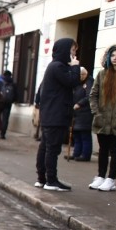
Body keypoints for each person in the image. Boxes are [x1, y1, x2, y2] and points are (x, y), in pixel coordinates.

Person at [35, 37, 81, 191]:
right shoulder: (58, 66)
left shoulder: (54, 66)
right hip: (56, 115)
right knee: (52, 149)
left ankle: (42, 179)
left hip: (51, 114)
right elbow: (72, 81)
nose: (74, 54)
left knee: (46, 148)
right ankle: (50, 180)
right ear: (65, 50)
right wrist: (75, 66)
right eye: (73, 50)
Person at [89, 43, 116, 191]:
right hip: (102, 119)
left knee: (115, 149)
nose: (115, 58)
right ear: (108, 57)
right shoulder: (102, 74)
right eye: (113, 55)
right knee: (103, 149)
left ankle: (111, 179)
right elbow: (93, 95)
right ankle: (100, 176)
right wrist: (96, 112)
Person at [70, 67, 92, 161]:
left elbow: (89, 96)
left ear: (85, 74)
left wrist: (79, 103)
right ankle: (76, 153)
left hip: (85, 113)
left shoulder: (89, 82)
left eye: (81, 75)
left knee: (84, 135)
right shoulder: (77, 83)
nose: (80, 77)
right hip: (76, 113)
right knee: (76, 135)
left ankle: (85, 155)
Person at [0, 70, 17, 139]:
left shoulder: (1, 82)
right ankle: (2, 134)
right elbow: (16, 94)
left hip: (0, 102)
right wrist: (13, 100)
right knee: (5, 119)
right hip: (8, 103)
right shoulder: (13, 83)